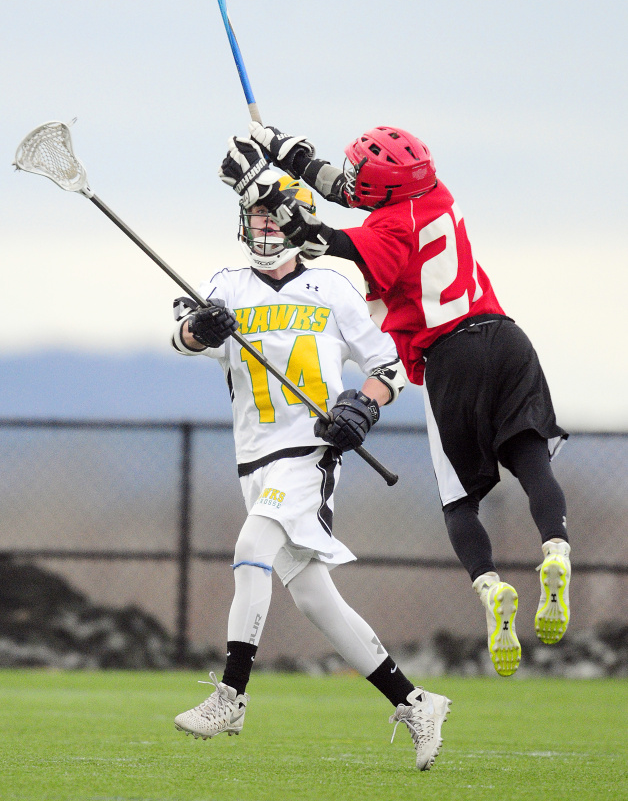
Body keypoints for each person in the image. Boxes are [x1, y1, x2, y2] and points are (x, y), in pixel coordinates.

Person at [219, 124, 572, 678]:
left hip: (449, 357)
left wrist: (262, 182)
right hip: (507, 338)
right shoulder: (432, 193)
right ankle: (556, 548)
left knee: (460, 503)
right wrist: (285, 151)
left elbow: (319, 238)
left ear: (383, 188)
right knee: (531, 459)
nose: (352, 179)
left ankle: (490, 586)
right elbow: (344, 193)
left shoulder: (385, 237)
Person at [170, 175, 450, 771]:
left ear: (297, 223)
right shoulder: (225, 286)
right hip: (255, 455)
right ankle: (416, 701)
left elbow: (388, 364)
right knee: (315, 599)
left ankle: (232, 694)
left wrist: (363, 406)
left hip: (308, 450)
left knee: (251, 548)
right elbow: (182, 335)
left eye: (275, 218)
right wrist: (205, 328)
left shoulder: (331, 286)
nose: (265, 229)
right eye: (257, 218)